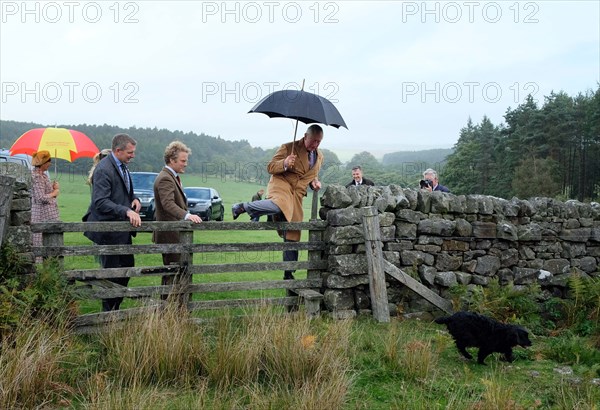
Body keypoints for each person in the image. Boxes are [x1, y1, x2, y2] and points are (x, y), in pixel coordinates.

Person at [231, 124, 324, 281]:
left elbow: (309, 173)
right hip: (281, 186)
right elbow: (270, 167)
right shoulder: (288, 147)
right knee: (278, 205)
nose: (315, 145)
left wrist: (314, 182)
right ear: (305, 136)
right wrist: (285, 163)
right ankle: (242, 207)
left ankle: (288, 273)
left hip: (296, 196)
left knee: (293, 233)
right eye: (313, 141)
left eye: (319, 142)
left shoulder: (319, 156)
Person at [83, 134, 142, 311]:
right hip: (108, 231)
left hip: (122, 231)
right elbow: (100, 201)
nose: (133, 155)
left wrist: (135, 199)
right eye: (130, 152)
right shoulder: (104, 169)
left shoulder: (123, 167)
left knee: (127, 268)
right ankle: (107, 315)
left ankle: (115, 307)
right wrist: (126, 210)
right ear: (118, 150)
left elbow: (125, 192)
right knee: (111, 275)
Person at [153, 141, 202, 300]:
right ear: (171, 160)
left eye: (186, 160)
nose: (186, 164)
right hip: (170, 234)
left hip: (174, 234)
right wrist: (187, 215)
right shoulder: (166, 178)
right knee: (171, 275)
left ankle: (172, 311)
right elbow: (168, 204)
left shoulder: (171, 176)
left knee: (175, 273)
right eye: (183, 160)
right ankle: (167, 312)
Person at [31, 150, 60, 263]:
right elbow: (40, 198)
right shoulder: (37, 176)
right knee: (40, 241)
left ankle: (49, 264)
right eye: (49, 161)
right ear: (43, 162)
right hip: (41, 214)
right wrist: (55, 192)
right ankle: (41, 267)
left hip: (47, 214)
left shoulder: (43, 175)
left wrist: (53, 187)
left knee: (49, 240)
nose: (50, 164)